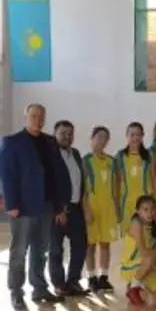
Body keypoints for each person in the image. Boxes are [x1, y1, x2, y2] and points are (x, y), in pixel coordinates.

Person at [0, 104, 69, 310]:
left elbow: (56, 173)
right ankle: (16, 291)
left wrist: (59, 204)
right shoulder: (12, 142)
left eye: (41, 117)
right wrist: (11, 203)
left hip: (46, 204)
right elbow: (7, 174)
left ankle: (39, 288)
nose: (37, 120)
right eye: (33, 115)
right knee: (19, 250)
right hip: (22, 206)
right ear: (26, 117)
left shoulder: (50, 142)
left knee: (41, 249)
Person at [50, 120, 90, 297]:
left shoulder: (75, 153)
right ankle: (59, 284)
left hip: (76, 208)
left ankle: (73, 281)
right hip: (57, 210)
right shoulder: (50, 155)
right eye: (63, 133)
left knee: (80, 245)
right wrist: (58, 209)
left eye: (70, 133)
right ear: (55, 134)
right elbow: (49, 185)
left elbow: (79, 181)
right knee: (56, 249)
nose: (67, 136)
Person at [83, 126, 117, 293]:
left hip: (108, 208)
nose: (102, 141)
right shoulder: (85, 161)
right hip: (92, 206)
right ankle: (91, 277)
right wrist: (86, 210)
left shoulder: (111, 161)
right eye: (99, 137)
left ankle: (104, 277)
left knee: (105, 243)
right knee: (90, 245)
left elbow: (116, 186)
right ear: (92, 138)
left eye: (105, 138)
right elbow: (82, 189)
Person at [120, 195, 156, 306]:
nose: (149, 213)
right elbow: (143, 252)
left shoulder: (155, 227)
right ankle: (134, 287)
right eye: (145, 210)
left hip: (148, 266)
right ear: (138, 211)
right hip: (131, 266)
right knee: (149, 258)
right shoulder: (136, 223)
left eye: (152, 209)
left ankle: (141, 288)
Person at [115, 122, 156, 232]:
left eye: (138, 135)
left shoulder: (149, 155)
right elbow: (117, 182)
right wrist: (117, 205)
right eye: (132, 135)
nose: (135, 138)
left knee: (146, 234)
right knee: (128, 235)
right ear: (127, 135)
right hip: (127, 203)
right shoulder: (120, 156)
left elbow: (154, 178)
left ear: (142, 136)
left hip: (146, 203)